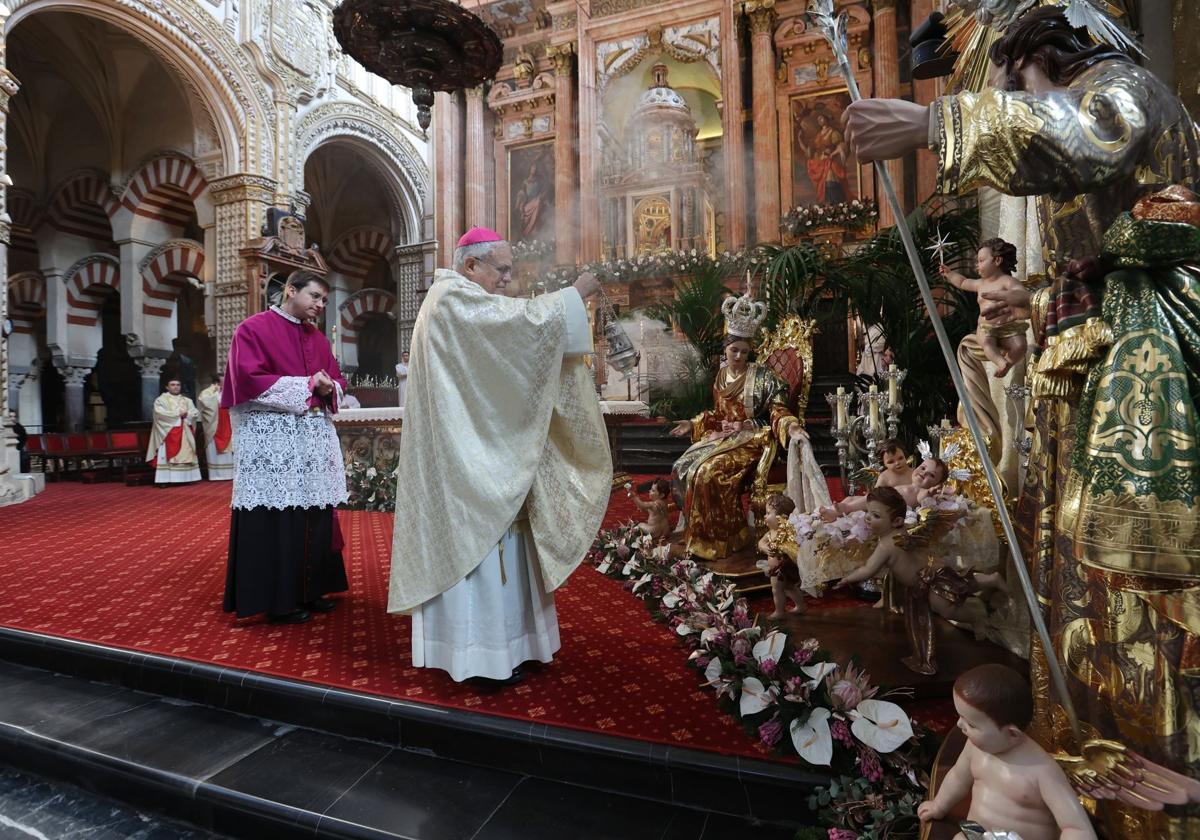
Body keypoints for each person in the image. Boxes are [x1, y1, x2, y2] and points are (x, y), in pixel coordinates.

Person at [843, 9, 1200, 833]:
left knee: (1127, 579)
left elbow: (1079, 135)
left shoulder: (1120, 88)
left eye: (1008, 85)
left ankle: (1152, 770)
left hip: (1149, 379)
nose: (1006, 96)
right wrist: (1035, 298)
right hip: (1103, 374)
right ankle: (1084, 748)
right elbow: (1104, 266)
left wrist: (936, 122)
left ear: (1036, 61)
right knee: (1074, 579)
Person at [387, 227, 611, 686]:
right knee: (481, 545)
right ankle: (480, 655)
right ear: (472, 265)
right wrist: (574, 295)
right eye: (502, 270)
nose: (508, 279)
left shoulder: (455, 300)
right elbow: (520, 327)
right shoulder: (452, 300)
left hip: (474, 445)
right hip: (466, 462)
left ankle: (511, 645)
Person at [221, 271, 349, 625]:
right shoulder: (253, 328)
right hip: (273, 440)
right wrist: (309, 383)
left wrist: (329, 386)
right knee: (279, 518)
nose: (320, 305)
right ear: (290, 291)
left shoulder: (319, 338)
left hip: (311, 438)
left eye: (324, 300)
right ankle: (279, 600)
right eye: (315, 297)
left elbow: (337, 379)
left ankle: (313, 589)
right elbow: (246, 379)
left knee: (315, 513)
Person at [669, 293, 822, 559]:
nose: (738, 356)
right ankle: (701, 536)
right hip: (723, 437)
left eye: (744, 351)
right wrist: (693, 423)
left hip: (753, 438)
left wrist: (791, 426)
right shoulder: (720, 375)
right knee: (682, 468)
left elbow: (777, 410)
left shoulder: (764, 377)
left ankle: (724, 539)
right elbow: (717, 414)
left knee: (707, 472)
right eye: (733, 350)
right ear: (725, 349)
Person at [835, 487, 1005, 674]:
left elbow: (868, 570)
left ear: (897, 521)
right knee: (959, 584)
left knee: (946, 608)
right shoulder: (902, 530)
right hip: (929, 573)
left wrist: (847, 579)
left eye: (875, 515)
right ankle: (990, 580)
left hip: (930, 578)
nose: (867, 518)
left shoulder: (886, 545)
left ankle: (976, 617)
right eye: (867, 512)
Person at [918, 664, 1096, 840]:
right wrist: (939, 805)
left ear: (1012, 733)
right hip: (977, 833)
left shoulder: (1042, 771)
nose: (959, 725)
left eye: (971, 724)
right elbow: (958, 777)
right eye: (960, 717)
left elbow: (1077, 828)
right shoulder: (975, 747)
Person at [939, 239, 1027, 377]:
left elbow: (1021, 293)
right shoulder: (980, 284)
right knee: (987, 343)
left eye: (981, 261)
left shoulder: (1007, 281)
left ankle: (1007, 363)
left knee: (1020, 345)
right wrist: (949, 275)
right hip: (986, 327)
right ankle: (1000, 362)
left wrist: (1011, 295)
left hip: (1007, 326)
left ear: (997, 260)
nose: (977, 266)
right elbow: (963, 282)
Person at [821, 456, 947, 519]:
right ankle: (838, 511)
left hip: (888, 505)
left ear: (935, 484)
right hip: (884, 499)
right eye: (923, 468)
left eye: (931, 475)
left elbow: (922, 499)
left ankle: (839, 511)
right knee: (851, 498)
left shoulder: (922, 491)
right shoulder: (909, 483)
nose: (923, 473)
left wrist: (929, 493)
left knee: (864, 502)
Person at [145, 378, 200, 485]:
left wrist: (187, 414)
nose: (176, 387)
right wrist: (178, 414)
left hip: (185, 431)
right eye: (173, 385)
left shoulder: (187, 400)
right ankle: (165, 479)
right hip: (168, 431)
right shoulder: (161, 400)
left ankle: (185, 478)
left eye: (178, 385)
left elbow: (195, 412)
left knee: (186, 453)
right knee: (168, 454)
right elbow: (159, 414)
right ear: (167, 387)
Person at [758, 494, 805, 619]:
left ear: (781, 517)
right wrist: (764, 547)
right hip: (775, 569)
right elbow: (761, 542)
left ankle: (780, 611)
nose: (765, 516)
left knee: (778, 589)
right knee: (789, 588)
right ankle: (800, 606)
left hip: (783, 567)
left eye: (768, 513)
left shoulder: (785, 532)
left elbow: (794, 547)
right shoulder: (770, 532)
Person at [197, 373, 234, 481]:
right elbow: (204, 402)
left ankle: (229, 474)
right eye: (223, 380)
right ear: (216, 382)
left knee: (229, 448)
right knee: (214, 448)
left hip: (227, 422)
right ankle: (215, 475)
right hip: (215, 424)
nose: (225, 382)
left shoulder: (229, 390)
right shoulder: (208, 392)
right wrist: (218, 393)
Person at [629, 478, 671, 542]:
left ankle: (647, 538)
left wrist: (634, 497)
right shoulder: (665, 502)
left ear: (662, 495)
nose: (649, 491)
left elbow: (641, 505)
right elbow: (655, 513)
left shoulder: (653, 504)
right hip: (664, 529)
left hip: (653, 530)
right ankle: (663, 535)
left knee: (640, 525)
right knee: (663, 522)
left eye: (653, 490)